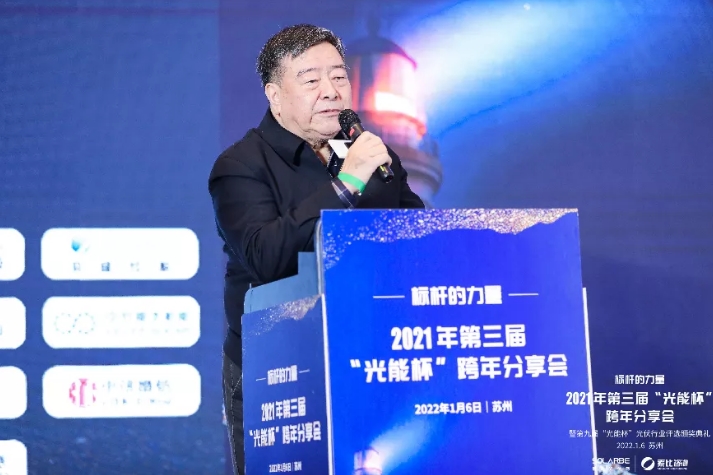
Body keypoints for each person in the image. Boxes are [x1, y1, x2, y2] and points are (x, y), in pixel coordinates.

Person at [208, 24, 424, 475]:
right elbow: (268, 258)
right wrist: (347, 184)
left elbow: (420, 238)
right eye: (311, 80)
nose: (331, 91)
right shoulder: (240, 165)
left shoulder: (370, 153)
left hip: (374, 359)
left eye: (339, 77)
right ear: (275, 96)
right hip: (278, 369)